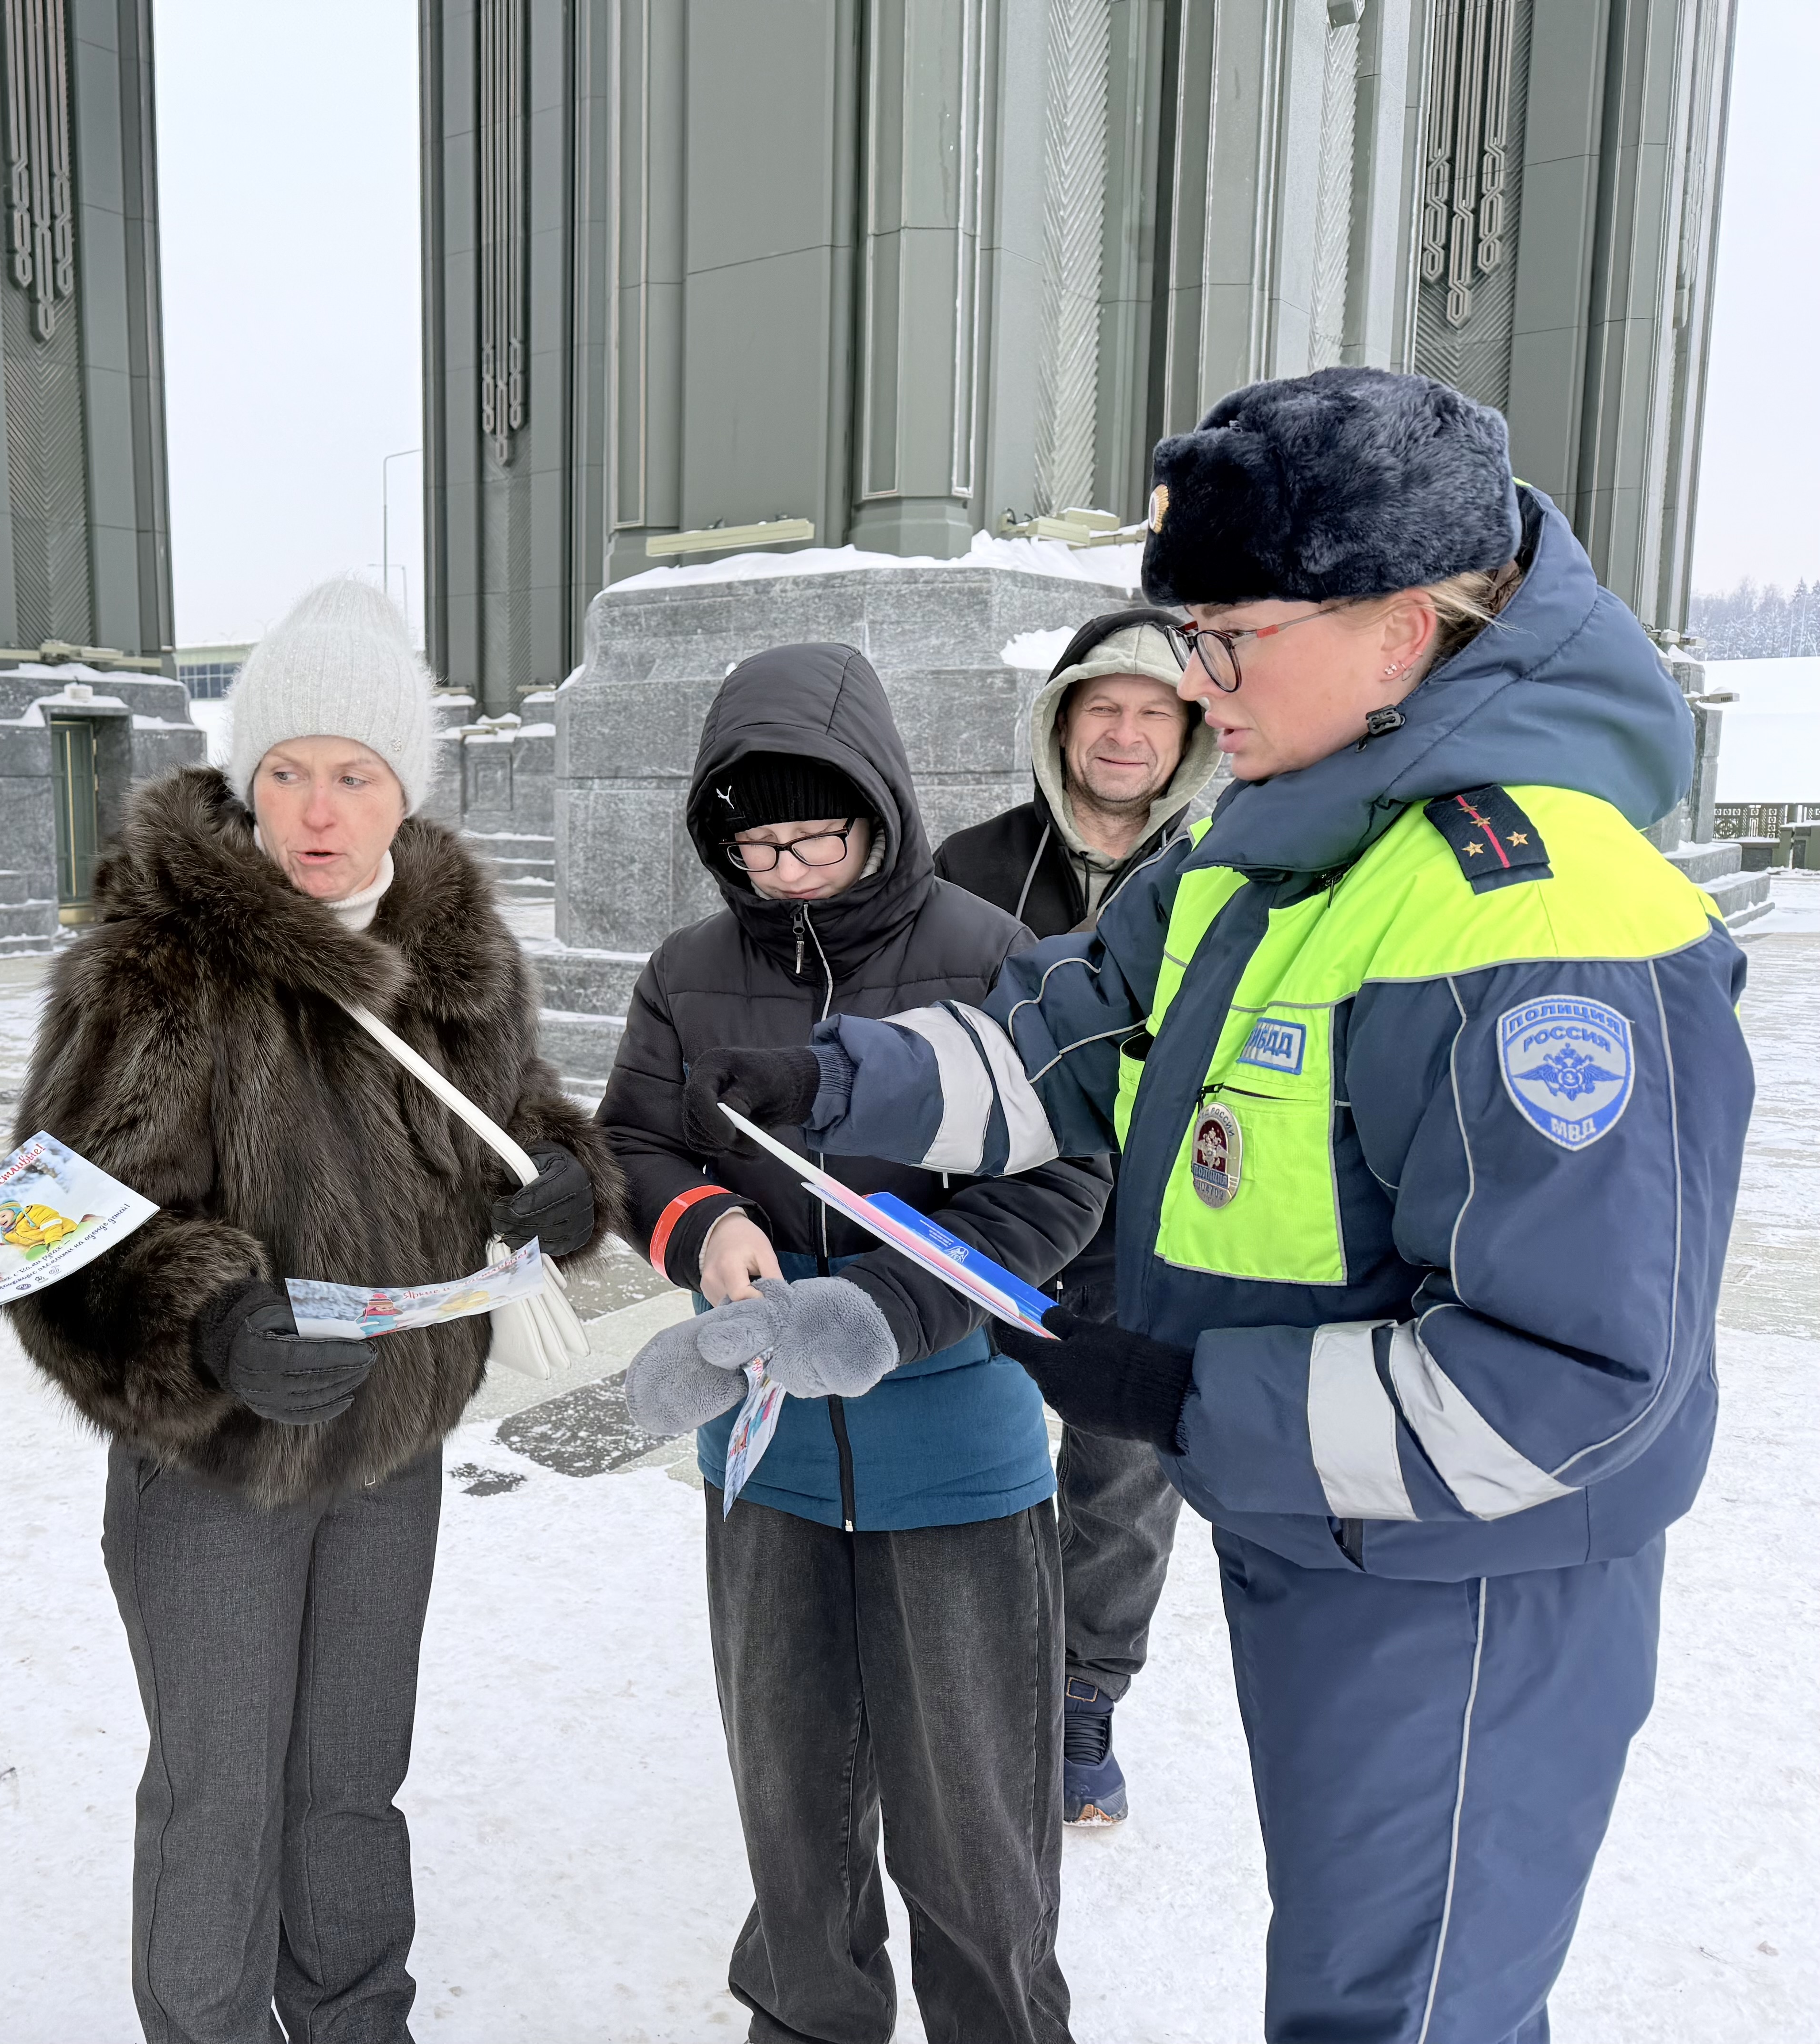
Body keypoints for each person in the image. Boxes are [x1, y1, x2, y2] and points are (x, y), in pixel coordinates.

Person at [683, 366, 1750, 2044]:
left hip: (1468, 1578)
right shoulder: (1274, 844)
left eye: (1229, 637)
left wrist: (1189, 1394)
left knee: (1403, 2009)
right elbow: (1063, 1032)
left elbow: (1571, 1386)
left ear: (1401, 626)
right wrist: (845, 1080)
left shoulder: (1536, 914)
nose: (1191, 683)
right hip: (1318, 1524)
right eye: (1183, 635)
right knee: (1345, 1978)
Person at [6, 577, 619, 2044]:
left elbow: (509, 1117)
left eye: (355, 774)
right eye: (287, 771)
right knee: (222, 1785)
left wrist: (567, 1179)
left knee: (351, 1771)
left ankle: (357, 2016)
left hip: (392, 1446)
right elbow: (52, 1228)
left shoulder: (461, 948)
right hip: (215, 1463)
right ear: (245, 776)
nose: (318, 808)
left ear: (405, 787)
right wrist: (212, 1323)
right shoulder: (156, 956)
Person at [602, 642, 1109, 2044]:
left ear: (878, 807)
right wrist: (698, 1227)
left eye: (812, 834)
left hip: (955, 1451)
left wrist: (888, 1305)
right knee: (791, 1796)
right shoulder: (688, 969)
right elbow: (632, 1140)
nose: (785, 870)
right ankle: (807, 2021)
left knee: (976, 1820)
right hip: (761, 1458)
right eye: (753, 842)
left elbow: (1064, 1178)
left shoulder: (990, 955)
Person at [933, 611, 1218, 1825]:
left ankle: (1084, 1691)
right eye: (1103, 705)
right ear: (1059, 723)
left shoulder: (1234, 866)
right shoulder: (971, 864)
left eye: (1156, 712)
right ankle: (960, 1683)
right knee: (969, 1452)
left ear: (1192, 736)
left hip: (1150, 1227)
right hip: (999, 1213)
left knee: (1123, 1469)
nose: (1127, 732)